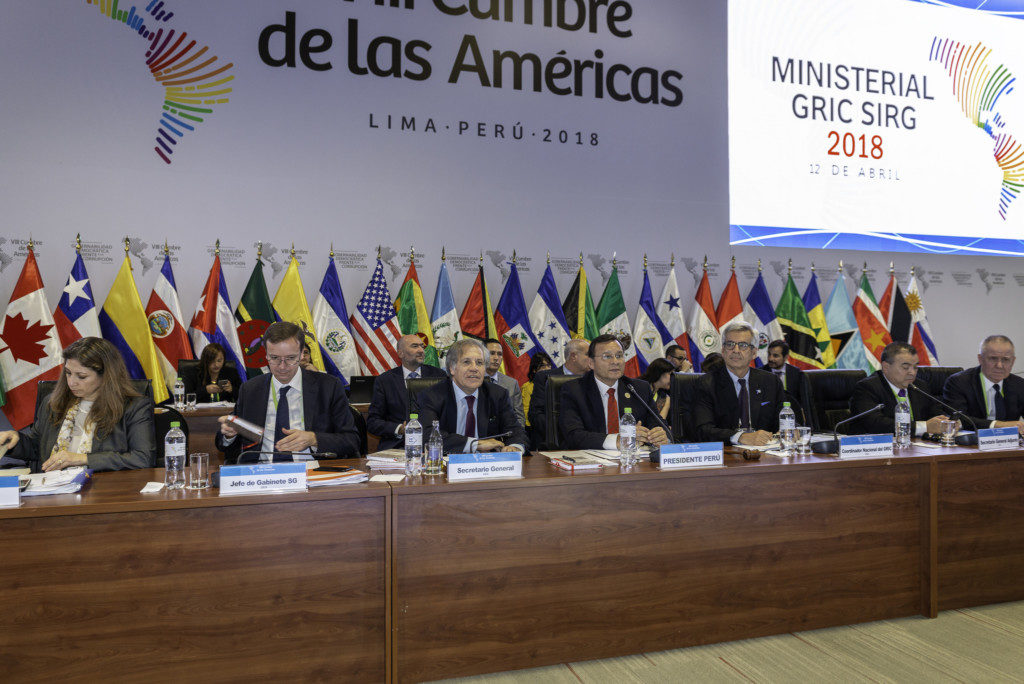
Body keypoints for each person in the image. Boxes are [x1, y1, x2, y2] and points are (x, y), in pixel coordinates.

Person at [0, 337, 155, 473]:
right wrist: (15, 440)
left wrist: (83, 459)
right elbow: (36, 447)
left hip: (102, 489)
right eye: (68, 373)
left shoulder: (134, 407)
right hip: (51, 489)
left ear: (106, 376)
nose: (71, 382)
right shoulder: (52, 402)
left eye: (82, 376)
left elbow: (142, 458)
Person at [216, 321, 359, 462]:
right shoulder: (250, 389)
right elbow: (225, 443)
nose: (282, 366)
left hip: (311, 472)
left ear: (302, 354)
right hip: (262, 473)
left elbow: (352, 440)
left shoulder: (328, 386)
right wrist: (229, 435)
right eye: (275, 358)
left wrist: (314, 439)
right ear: (266, 354)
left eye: (290, 358)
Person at [559, 334, 670, 450]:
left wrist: (659, 435)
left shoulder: (638, 388)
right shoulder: (574, 390)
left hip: (632, 460)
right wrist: (618, 440)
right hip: (590, 462)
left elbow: (658, 424)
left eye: (619, 355)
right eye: (607, 357)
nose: (615, 361)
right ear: (591, 363)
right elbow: (573, 435)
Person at [416, 339, 527, 453]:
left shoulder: (498, 395)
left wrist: (514, 447)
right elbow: (426, 435)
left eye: (480, 363)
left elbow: (514, 430)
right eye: (466, 362)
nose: (474, 368)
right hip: (447, 464)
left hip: (488, 465)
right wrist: (474, 444)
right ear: (452, 368)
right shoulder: (432, 395)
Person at [692, 323, 784, 445]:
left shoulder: (771, 382)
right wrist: (740, 437)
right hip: (726, 454)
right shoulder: (706, 384)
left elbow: (785, 417)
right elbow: (702, 430)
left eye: (743, 345)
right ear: (723, 351)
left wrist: (791, 430)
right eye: (730, 344)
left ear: (754, 352)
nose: (735, 350)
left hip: (766, 453)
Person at [849, 342, 953, 437]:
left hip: (917, 447)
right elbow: (876, 424)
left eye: (915, 367)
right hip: (874, 450)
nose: (912, 372)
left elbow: (936, 412)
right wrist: (924, 427)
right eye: (905, 367)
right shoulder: (867, 388)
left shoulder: (920, 386)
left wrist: (946, 423)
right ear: (886, 367)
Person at [366, 334, 447, 451]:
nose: (421, 350)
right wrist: (400, 429)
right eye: (415, 346)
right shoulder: (385, 380)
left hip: (433, 445)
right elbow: (373, 422)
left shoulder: (439, 376)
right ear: (401, 353)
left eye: (422, 347)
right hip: (397, 446)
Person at [943, 335, 1024, 433]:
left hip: (1011, 444)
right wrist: (997, 425)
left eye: (1005, 359)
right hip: (971, 445)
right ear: (980, 359)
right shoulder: (959, 382)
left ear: (1013, 361)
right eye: (993, 359)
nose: (999, 365)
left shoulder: (1019, 384)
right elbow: (958, 420)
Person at [527, 338, 591, 447]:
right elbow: (536, 415)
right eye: (588, 355)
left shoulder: (593, 380)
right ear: (573, 356)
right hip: (553, 445)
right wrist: (567, 432)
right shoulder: (545, 378)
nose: (592, 359)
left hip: (586, 443)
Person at [766, 340, 814, 427]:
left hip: (793, 420)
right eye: (769, 354)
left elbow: (804, 403)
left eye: (775, 356)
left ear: (785, 357)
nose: (770, 359)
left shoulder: (797, 374)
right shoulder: (761, 372)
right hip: (768, 421)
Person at [483, 338, 526, 426]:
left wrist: (516, 437)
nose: (496, 358)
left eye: (499, 354)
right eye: (491, 353)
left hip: (506, 435)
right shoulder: (473, 380)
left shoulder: (511, 384)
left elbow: (519, 417)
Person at [522, 352, 554, 427]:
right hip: (535, 428)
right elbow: (526, 414)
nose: (547, 369)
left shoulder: (554, 384)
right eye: (543, 366)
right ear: (534, 370)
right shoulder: (527, 387)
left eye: (549, 365)